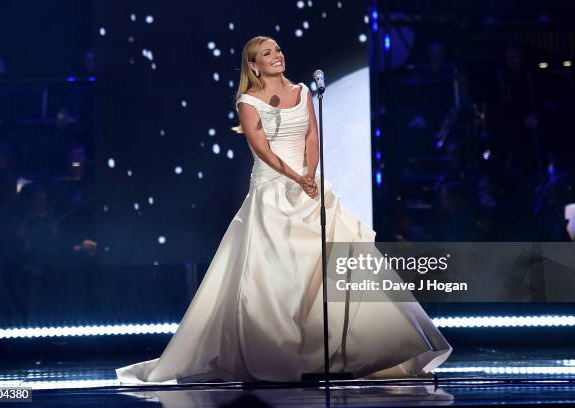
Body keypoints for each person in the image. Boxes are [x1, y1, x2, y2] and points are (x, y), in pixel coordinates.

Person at [116, 36, 451, 384]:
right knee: (277, 272)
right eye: (266, 53)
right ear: (253, 65)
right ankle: (275, 353)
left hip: (309, 185)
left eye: (277, 50)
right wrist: (295, 177)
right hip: (273, 192)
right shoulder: (247, 102)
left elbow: (311, 136)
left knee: (336, 262)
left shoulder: (304, 92)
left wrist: (310, 174)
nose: (276, 56)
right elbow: (262, 149)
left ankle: (345, 351)